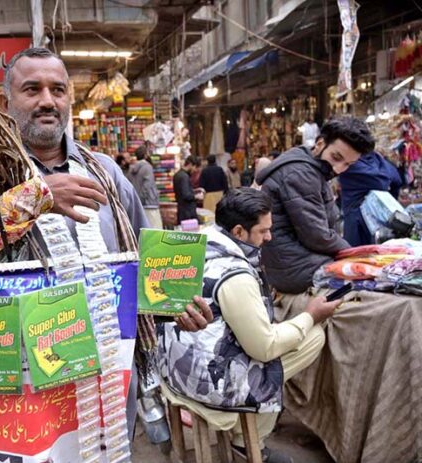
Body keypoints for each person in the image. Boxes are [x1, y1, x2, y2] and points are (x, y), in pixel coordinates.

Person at [0, 47, 213, 439]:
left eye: (58, 90)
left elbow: (143, 264)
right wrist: (33, 198)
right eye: (32, 89)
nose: (47, 100)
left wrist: (174, 305)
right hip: (16, 380)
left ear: (68, 100)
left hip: (104, 378)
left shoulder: (105, 172)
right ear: (6, 103)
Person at [159, 188, 340, 463]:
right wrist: (310, 315)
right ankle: (248, 443)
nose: (269, 237)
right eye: (263, 231)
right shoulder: (234, 274)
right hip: (209, 384)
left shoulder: (194, 244)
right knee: (311, 336)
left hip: (172, 371)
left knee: (277, 335)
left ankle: (248, 435)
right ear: (240, 232)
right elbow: (264, 348)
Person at [255, 116, 375, 295]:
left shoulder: (313, 168)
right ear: (320, 143)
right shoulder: (301, 173)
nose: (339, 168)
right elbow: (317, 235)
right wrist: (354, 253)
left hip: (298, 262)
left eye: (348, 164)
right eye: (336, 157)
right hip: (295, 269)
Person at [338, 151, 402, 246]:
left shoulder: (350, 163)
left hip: (356, 220)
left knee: (358, 254)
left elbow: (382, 182)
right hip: (379, 220)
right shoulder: (378, 159)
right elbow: (397, 180)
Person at [128, 145, 163, 228]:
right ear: (145, 155)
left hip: (137, 203)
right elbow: (147, 185)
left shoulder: (131, 169)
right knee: (155, 229)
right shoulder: (147, 167)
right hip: (149, 203)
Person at [173, 156, 203, 224]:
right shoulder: (184, 177)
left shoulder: (177, 175)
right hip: (188, 213)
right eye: (195, 168)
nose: (195, 171)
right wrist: (197, 196)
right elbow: (186, 195)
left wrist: (195, 190)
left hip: (182, 210)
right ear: (190, 165)